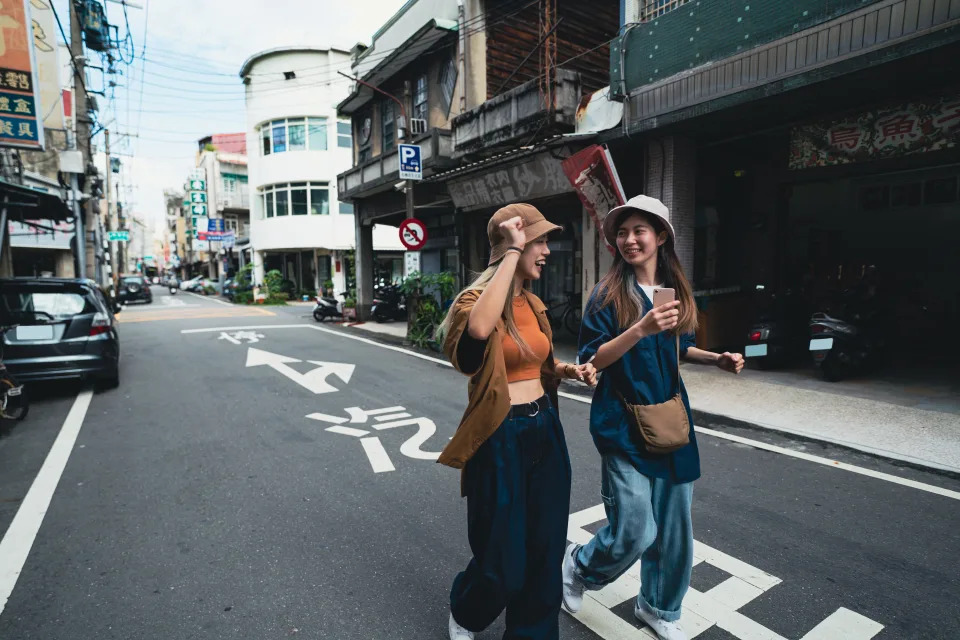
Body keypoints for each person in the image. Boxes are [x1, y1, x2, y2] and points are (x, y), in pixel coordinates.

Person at [560, 195, 743, 640]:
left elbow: (678, 345)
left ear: (661, 236)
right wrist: (640, 326)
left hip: (669, 419)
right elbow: (593, 359)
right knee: (637, 528)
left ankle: (658, 606)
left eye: (639, 231)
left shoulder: (672, 291)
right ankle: (579, 565)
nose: (629, 240)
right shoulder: (606, 295)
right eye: (622, 233)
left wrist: (714, 357)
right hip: (621, 421)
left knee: (676, 528)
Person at [437, 203, 597, 640]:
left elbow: (533, 361)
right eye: (537, 241)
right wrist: (511, 251)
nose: (546, 250)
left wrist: (566, 370)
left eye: (545, 240)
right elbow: (476, 339)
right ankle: (467, 610)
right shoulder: (474, 303)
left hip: (545, 428)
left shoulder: (534, 302)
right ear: (511, 244)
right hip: (500, 435)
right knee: (502, 557)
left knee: (545, 550)